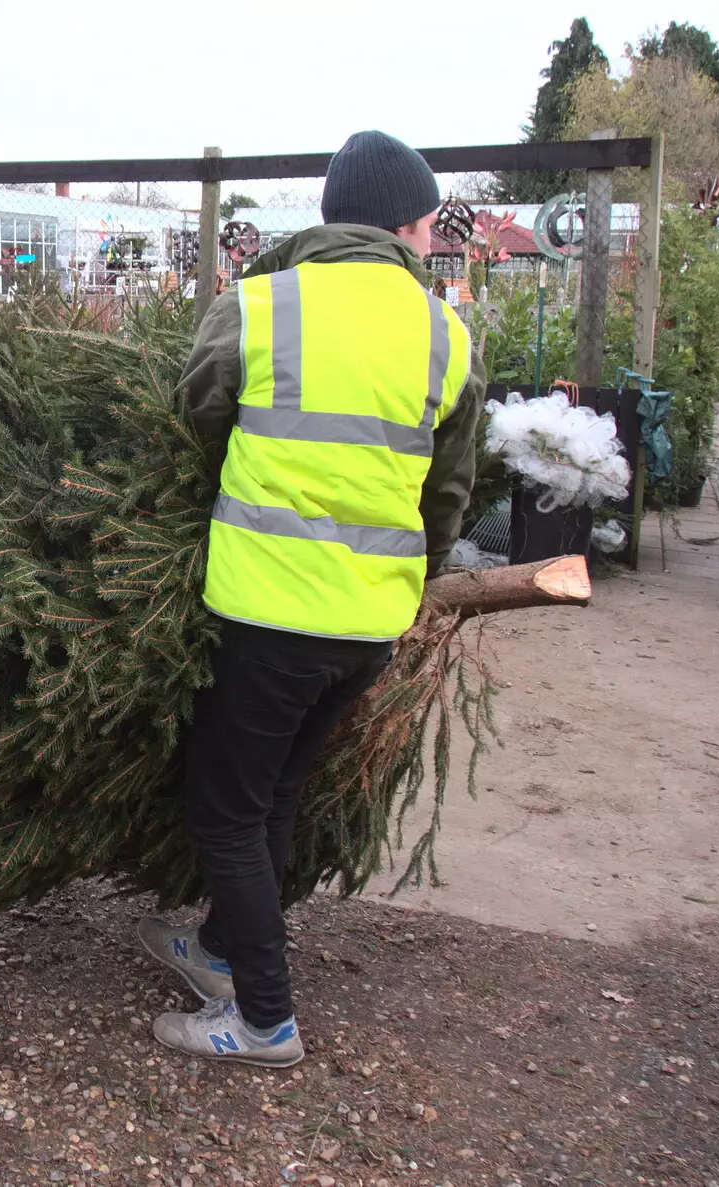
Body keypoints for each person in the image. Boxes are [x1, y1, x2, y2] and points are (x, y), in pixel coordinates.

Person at [137, 130, 486, 1068]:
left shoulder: (257, 307)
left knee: (225, 809)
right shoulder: (448, 335)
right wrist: (419, 581)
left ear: (330, 217)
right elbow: (448, 492)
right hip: (370, 621)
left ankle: (263, 1017)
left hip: (266, 612)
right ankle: (216, 951)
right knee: (278, 791)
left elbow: (194, 421)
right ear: (411, 227)